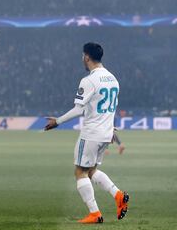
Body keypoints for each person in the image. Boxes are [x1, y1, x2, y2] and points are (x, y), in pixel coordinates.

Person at [44, 42, 129, 224]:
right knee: (91, 170)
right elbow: (110, 108)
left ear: (87, 57)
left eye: (83, 56)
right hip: (106, 133)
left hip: (91, 133)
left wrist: (57, 122)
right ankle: (118, 195)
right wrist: (111, 128)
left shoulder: (89, 80)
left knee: (80, 172)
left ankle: (95, 213)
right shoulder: (113, 78)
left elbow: (78, 110)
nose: (82, 59)